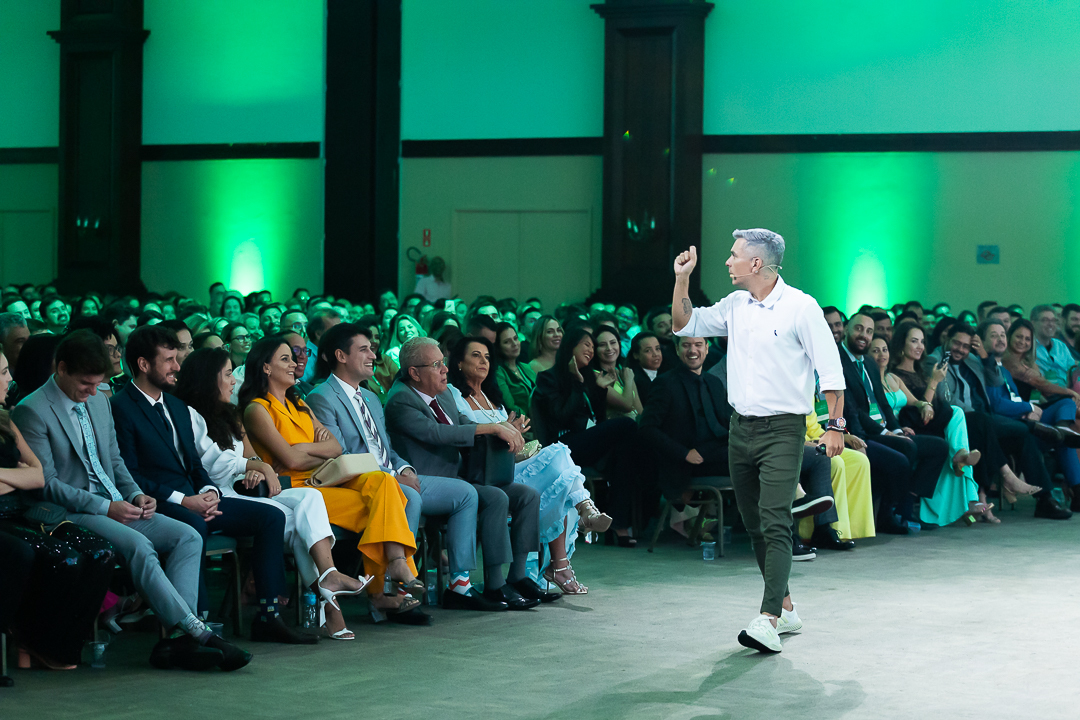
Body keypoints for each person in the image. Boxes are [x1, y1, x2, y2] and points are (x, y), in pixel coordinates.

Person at [11, 330, 251, 671]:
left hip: (117, 500)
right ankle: (195, 630)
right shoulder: (32, 410)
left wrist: (136, 493)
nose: (93, 392)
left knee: (187, 535)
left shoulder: (98, 400)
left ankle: (177, 640)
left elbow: (115, 461)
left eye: (98, 384)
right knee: (140, 546)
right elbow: (46, 484)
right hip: (71, 511)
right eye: (85, 384)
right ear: (61, 369)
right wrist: (107, 506)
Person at [671, 229, 846, 654]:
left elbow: (831, 370)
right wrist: (681, 280)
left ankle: (768, 619)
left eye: (733, 256)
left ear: (756, 264)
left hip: (784, 429)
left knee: (774, 520)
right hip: (740, 429)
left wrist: (835, 425)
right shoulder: (734, 305)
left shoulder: (801, 308)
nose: (726, 262)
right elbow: (684, 325)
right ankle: (786, 608)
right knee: (755, 526)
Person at [110, 326, 314, 644]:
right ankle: (199, 622)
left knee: (271, 516)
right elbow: (130, 474)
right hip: (157, 500)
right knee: (193, 524)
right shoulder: (122, 407)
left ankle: (269, 615)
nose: (177, 366)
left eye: (177, 358)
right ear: (143, 364)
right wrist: (185, 500)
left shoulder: (176, 407)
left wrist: (210, 493)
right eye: (168, 360)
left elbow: (195, 464)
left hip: (195, 496)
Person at [175, 347, 371, 639]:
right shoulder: (190, 415)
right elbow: (209, 467)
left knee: (309, 502)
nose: (233, 381)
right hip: (221, 495)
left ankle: (326, 592)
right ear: (207, 378)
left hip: (244, 490)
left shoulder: (231, 414)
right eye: (228, 374)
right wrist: (255, 466)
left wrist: (254, 467)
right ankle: (321, 602)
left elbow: (259, 458)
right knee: (301, 522)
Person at [240, 337, 423, 619]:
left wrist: (301, 449)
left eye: (294, 357)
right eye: (285, 359)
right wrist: (312, 450)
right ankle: (386, 585)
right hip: (296, 491)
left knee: (384, 482)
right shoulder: (257, 409)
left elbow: (335, 448)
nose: (295, 364)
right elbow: (290, 462)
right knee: (385, 510)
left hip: (322, 479)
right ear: (265, 367)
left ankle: (394, 569)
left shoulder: (299, 402)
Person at [306, 323, 479, 620]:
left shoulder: (372, 398)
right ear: (341, 356)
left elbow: (386, 449)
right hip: (356, 483)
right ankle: (395, 593)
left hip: (390, 474)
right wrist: (390, 474)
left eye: (372, 348)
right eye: (364, 349)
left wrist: (405, 467)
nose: (374, 354)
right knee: (408, 497)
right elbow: (339, 456)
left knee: (465, 493)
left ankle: (459, 584)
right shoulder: (322, 397)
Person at [385, 337, 547, 611]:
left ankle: (517, 576)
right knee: (494, 497)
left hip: (460, 477)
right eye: (436, 365)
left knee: (526, 496)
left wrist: (505, 428)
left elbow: (465, 425)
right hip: (425, 480)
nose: (445, 370)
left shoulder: (445, 393)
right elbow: (437, 433)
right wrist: (493, 428)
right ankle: (477, 584)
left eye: (443, 363)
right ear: (414, 372)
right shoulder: (400, 398)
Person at [447, 336, 610, 595]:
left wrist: (515, 433)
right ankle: (583, 514)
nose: (483, 362)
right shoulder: (453, 395)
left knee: (563, 485)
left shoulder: (493, 398)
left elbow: (511, 443)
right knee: (560, 454)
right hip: (482, 472)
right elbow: (463, 431)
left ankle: (556, 560)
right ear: (457, 362)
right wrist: (502, 431)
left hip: (506, 465)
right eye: (476, 355)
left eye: (487, 357)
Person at [0, 348, 117, 670]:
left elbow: (36, 474)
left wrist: (10, 478)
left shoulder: (6, 420)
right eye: (2, 373)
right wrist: (17, 478)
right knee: (61, 558)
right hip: (7, 519)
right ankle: (36, 639)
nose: (10, 379)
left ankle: (62, 642)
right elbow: (32, 476)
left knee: (100, 552)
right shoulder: (28, 410)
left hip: (24, 512)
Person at [837, 312, 951, 533]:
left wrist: (895, 429)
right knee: (903, 452)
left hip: (882, 428)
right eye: (859, 329)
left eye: (869, 331)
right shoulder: (838, 361)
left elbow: (882, 403)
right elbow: (855, 411)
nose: (864, 335)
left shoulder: (868, 363)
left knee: (939, 446)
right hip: (860, 431)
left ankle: (906, 501)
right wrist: (884, 432)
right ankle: (892, 512)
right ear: (847, 328)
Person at [532, 327, 643, 546]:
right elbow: (560, 416)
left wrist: (599, 393)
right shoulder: (549, 378)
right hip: (564, 446)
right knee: (628, 426)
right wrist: (577, 383)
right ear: (570, 347)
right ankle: (619, 525)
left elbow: (597, 420)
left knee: (625, 452)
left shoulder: (591, 379)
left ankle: (616, 524)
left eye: (593, 346)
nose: (591, 350)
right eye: (586, 344)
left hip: (587, 444)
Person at [591, 325, 643, 419]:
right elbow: (626, 405)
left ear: (619, 344)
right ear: (594, 349)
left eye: (613, 343)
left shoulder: (623, 372)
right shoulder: (595, 376)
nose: (609, 348)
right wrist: (628, 381)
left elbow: (639, 410)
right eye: (602, 345)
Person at [492, 321, 536, 419]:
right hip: (524, 425)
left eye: (515, 339)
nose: (514, 344)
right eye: (507, 342)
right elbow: (511, 407)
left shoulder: (526, 367)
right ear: (498, 347)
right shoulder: (499, 373)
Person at [302, 307, 343, 383]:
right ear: (318, 334)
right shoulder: (305, 360)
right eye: (335, 330)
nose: (340, 334)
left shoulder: (335, 353)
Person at [628, 331, 663, 405]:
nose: (655, 354)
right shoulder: (636, 381)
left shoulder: (665, 373)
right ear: (636, 355)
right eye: (648, 351)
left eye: (657, 349)